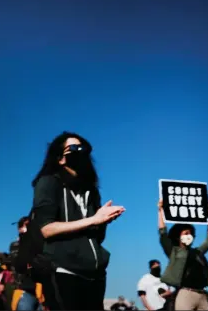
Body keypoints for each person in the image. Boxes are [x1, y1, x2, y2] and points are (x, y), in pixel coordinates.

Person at [31, 132, 125, 310]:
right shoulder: (49, 182)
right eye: (73, 148)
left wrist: (103, 221)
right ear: (60, 158)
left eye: (84, 149)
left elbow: (96, 237)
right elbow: (46, 228)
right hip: (64, 270)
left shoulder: (91, 191)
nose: (80, 152)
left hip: (95, 274)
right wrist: (93, 220)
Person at [158, 200, 208, 311]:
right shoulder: (173, 251)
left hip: (202, 295)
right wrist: (160, 210)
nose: (189, 235)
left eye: (190, 233)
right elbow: (163, 233)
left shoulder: (198, 252)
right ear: (177, 237)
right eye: (185, 233)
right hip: (185, 294)